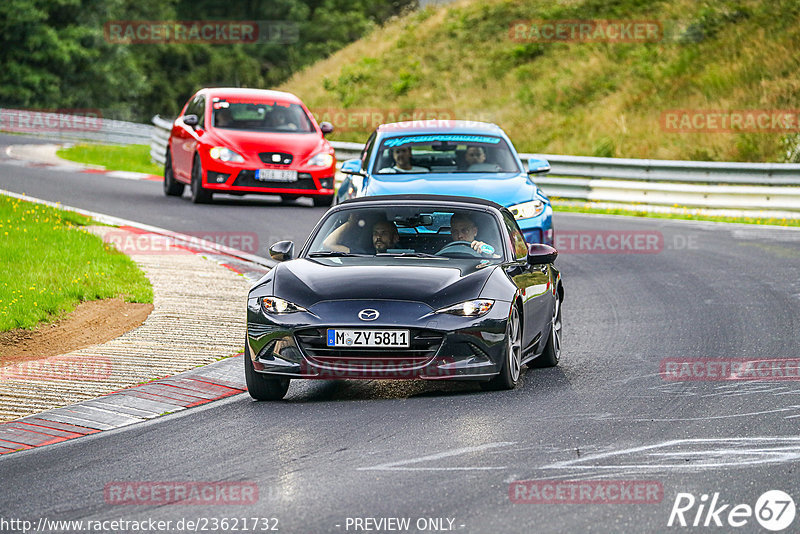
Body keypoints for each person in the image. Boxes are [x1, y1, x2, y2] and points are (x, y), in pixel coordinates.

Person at [322, 215, 398, 253]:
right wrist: (350, 223)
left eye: (384, 233)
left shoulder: (407, 255)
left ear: (395, 237)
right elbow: (328, 244)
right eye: (375, 233)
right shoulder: (362, 254)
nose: (378, 237)